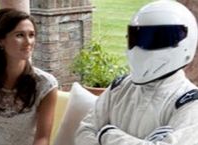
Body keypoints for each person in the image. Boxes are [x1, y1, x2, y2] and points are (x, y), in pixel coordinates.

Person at [75, 0, 198, 145]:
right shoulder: (120, 87)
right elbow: (83, 132)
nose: (140, 48)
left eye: (154, 40)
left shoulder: (189, 102)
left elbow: (92, 133)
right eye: (137, 38)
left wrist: (107, 134)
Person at [0, 8, 58, 145]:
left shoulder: (45, 85)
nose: (28, 42)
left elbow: (42, 138)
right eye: (19, 35)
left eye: (31, 35)